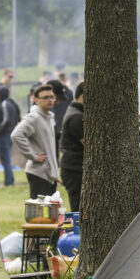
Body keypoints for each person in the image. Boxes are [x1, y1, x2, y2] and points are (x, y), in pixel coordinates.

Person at [12, 83, 59, 198]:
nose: (50, 100)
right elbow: (16, 135)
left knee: (50, 213)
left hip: (49, 174)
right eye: (45, 97)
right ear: (37, 100)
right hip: (38, 173)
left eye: (51, 97)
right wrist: (33, 155)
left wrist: (54, 172)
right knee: (39, 214)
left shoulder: (50, 118)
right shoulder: (34, 117)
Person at [60, 81, 85, 212]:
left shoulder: (74, 111)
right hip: (74, 169)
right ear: (83, 96)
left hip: (74, 167)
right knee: (78, 208)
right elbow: (89, 143)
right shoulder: (76, 117)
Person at [0, 85, 21, 187]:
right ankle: (10, 179)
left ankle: (9, 181)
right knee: (7, 158)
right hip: (10, 133)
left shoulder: (4, 104)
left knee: (5, 159)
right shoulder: (11, 103)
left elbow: (5, 120)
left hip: (4, 135)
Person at [48, 79, 73, 150]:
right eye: (57, 98)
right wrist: (34, 156)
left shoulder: (49, 114)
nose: (58, 102)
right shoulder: (37, 115)